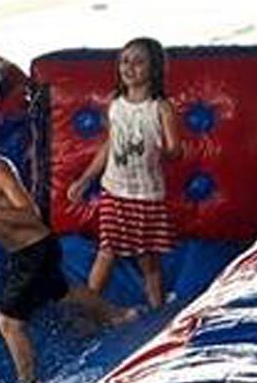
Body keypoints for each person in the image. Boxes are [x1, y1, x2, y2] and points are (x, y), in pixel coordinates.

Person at [0, 101, 135, 383]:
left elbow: (31, 215)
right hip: (19, 254)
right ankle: (116, 313)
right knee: (61, 291)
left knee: (9, 323)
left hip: (36, 249)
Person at [67, 37, 180, 309]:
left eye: (138, 61)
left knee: (147, 259)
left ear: (153, 69)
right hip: (114, 190)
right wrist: (85, 180)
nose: (129, 67)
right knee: (106, 251)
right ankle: (89, 310)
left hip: (146, 196)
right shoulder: (116, 104)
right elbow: (110, 145)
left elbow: (175, 150)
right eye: (124, 61)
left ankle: (157, 308)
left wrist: (163, 149)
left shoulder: (161, 108)